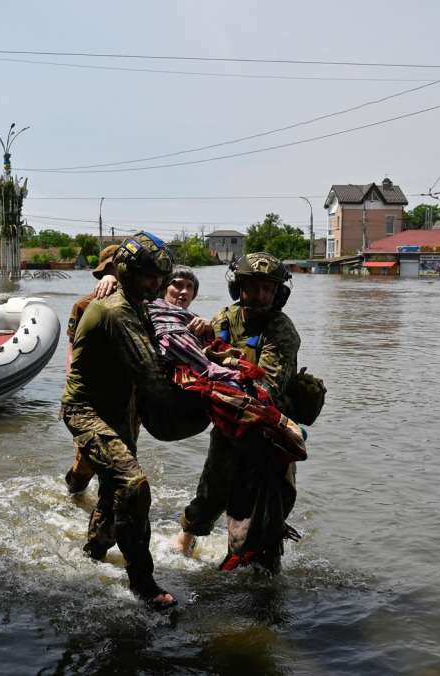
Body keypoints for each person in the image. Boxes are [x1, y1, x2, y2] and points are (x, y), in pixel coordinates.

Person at [61, 231, 181, 609]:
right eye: (148, 276)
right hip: (87, 410)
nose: (156, 284)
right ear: (127, 272)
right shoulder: (114, 310)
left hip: (118, 411)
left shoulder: (138, 305)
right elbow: (153, 375)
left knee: (114, 490)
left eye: (159, 277)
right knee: (134, 485)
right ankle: (142, 582)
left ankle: (93, 553)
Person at [171, 252, 303, 575]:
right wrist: (200, 337)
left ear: (278, 293)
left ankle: (259, 579)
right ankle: (185, 539)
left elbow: (266, 388)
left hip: (268, 437)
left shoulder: (282, 331)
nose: (259, 296)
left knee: (265, 520)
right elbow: (200, 356)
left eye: (267, 289)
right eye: (252, 288)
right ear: (238, 288)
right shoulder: (226, 319)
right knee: (211, 493)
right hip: (229, 428)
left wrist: (223, 366)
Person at [63, 243, 121, 494]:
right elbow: (72, 349)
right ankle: (74, 491)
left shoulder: (140, 304)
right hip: (92, 396)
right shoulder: (85, 305)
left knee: (121, 459)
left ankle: (110, 509)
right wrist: (74, 384)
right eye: (111, 271)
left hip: (124, 397)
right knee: (86, 462)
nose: (116, 275)